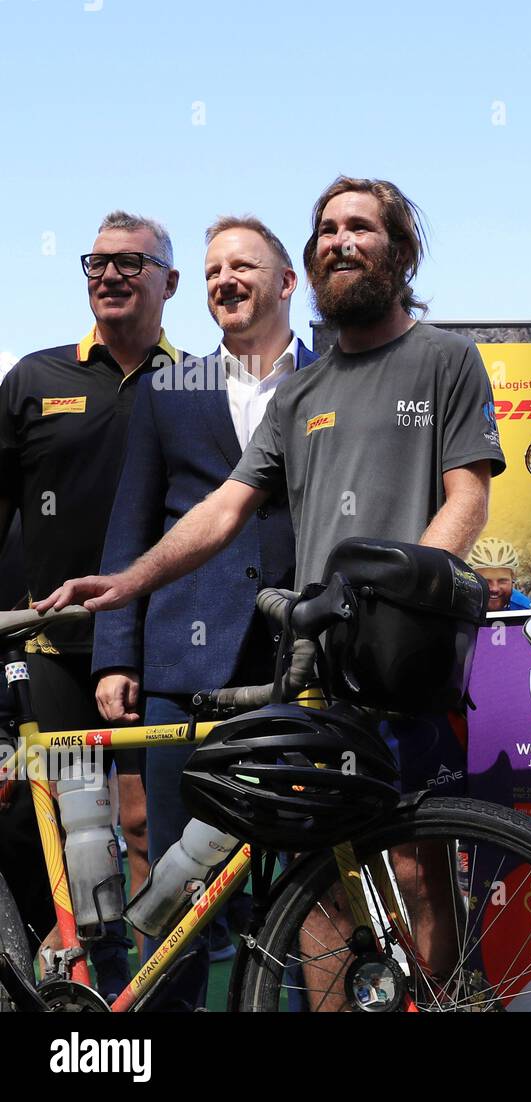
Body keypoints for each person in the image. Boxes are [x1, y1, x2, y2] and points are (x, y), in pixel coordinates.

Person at [37, 176, 506, 984]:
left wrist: (405, 595)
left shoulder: (446, 360)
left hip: (408, 657)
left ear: (399, 249)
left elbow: (469, 493)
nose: (340, 240)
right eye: (326, 227)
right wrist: (125, 584)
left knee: (424, 868)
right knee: (320, 881)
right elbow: (223, 509)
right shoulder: (304, 390)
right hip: (317, 666)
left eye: (360, 226)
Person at [90, 215, 315, 1010]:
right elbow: (132, 525)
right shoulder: (166, 392)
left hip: (295, 665)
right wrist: (116, 653)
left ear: (287, 283)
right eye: (213, 269)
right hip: (181, 668)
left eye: (242, 266)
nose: (224, 280)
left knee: (291, 874)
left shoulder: (331, 382)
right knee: (178, 876)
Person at [0, 211, 185, 999]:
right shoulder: (35, 379)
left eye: (130, 263)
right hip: (54, 648)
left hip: (164, 639)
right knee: (75, 831)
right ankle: (88, 987)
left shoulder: (202, 383)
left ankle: (156, 982)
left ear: (168, 283)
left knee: (149, 825)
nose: (109, 275)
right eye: (97, 262)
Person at [468, 537, 531, 611]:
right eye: (485, 582)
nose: (495, 589)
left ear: (513, 578)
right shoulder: (456, 608)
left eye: (502, 581)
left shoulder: (526, 610)